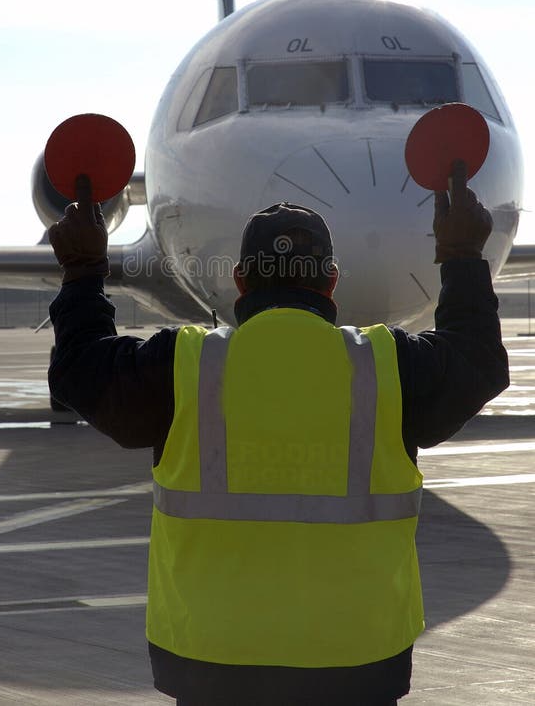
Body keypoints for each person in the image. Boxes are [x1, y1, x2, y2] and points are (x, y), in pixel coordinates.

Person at [48, 162, 508, 706]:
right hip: (356, 661)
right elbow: (478, 361)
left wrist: (82, 271)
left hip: (212, 661)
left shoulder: (183, 365)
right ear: (331, 280)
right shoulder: (387, 366)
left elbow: (80, 368)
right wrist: (463, 258)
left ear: (241, 280)